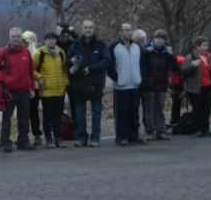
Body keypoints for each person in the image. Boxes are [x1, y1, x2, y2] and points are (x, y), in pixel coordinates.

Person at [0, 27, 37, 153]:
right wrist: (5, 78)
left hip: (24, 91)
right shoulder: (3, 52)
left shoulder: (26, 52)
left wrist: (32, 87)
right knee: (7, 118)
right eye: (14, 37)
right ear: (10, 38)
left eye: (18, 36)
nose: (16, 39)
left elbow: (30, 71)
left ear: (21, 38)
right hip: (9, 92)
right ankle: (5, 142)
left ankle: (23, 141)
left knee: (24, 118)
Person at [67, 20, 111, 148]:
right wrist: (72, 61)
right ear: (81, 29)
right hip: (79, 83)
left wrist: (92, 68)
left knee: (96, 112)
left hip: (96, 82)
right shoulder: (75, 44)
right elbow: (67, 61)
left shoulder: (100, 44)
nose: (88, 29)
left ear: (94, 29)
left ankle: (95, 137)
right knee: (80, 113)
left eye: (90, 27)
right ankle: (82, 137)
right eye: (85, 27)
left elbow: (107, 60)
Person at [108, 23, 144, 145]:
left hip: (135, 84)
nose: (129, 32)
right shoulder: (114, 47)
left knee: (134, 112)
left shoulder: (137, 47)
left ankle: (134, 136)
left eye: (130, 30)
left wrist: (140, 78)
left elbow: (142, 64)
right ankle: (121, 137)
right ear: (120, 32)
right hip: (121, 86)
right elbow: (109, 65)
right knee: (121, 113)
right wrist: (117, 78)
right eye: (126, 30)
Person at [141, 29, 178, 141]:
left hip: (162, 84)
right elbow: (140, 64)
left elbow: (175, 68)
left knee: (160, 109)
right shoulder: (147, 50)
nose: (159, 40)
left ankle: (160, 131)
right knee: (149, 109)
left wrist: (172, 56)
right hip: (148, 84)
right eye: (157, 38)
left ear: (165, 40)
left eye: (162, 38)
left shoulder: (167, 52)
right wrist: (145, 52)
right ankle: (150, 131)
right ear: (153, 39)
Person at [34, 32, 69, 148]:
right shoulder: (39, 53)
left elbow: (64, 69)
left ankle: (58, 138)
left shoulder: (61, 52)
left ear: (56, 40)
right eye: (48, 39)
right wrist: (39, 78)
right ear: (44, 40)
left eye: (53, 39)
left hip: (60, 90)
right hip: (46, 90)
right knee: (48, 116)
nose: (51, 41)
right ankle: (48, 138)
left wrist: (65, 82)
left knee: (58, 116)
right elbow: (31, 69)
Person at [182, 36, 211, 137]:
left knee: (207, 108)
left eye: (207, 45)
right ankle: (198, 129)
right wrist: (192, 65)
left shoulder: (208, 56)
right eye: (204, 45)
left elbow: (210, 70)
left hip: (207, 85)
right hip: (195, 87)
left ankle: (206, 128)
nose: (206, 47)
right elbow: (183, 71)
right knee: (198, 108)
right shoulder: (191, 56)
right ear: (197, 46)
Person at [21, 29, 42, 144]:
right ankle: (23, 134)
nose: (24, 44)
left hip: (34, 86)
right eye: (23, 41)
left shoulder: (37, 53)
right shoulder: (18, 52)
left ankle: (37, 134)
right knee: (23, 113)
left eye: (26, 42)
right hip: (21, 86)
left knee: (33, 112)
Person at [55, 23, 79, 123]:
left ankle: (76, 127)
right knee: (59, 104)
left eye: (67, 36)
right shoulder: (56, 44)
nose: (65, 38)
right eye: (62, 36)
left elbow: (80, 42)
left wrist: (73, 32)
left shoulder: (72, 44)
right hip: (59, 76)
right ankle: (59, 129)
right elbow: (47, 44)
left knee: (74, 103)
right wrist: (56, 35)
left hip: (71, 77)